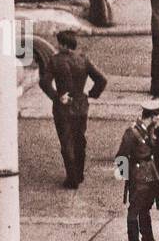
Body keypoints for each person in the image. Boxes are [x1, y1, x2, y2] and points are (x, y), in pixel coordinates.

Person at [38, 29, 107, 189]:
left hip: (63, 106)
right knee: (79, 139)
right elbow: (102, 79)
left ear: (63, 44)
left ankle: (72, 177)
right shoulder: (83, 60)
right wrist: (91, 94)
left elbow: (44, 82)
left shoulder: (55, 61)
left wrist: (57, 96)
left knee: (66, 141)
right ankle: (79, 173)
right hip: (81, 104)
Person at [116, 102, 159, 241]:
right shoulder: (132, 133)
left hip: (150, 174)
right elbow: (121, 156)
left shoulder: (149, 130)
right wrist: (126, 177)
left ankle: (148, 240)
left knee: (145, 207)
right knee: (134, 210)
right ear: (153, 116)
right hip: (138, 176)